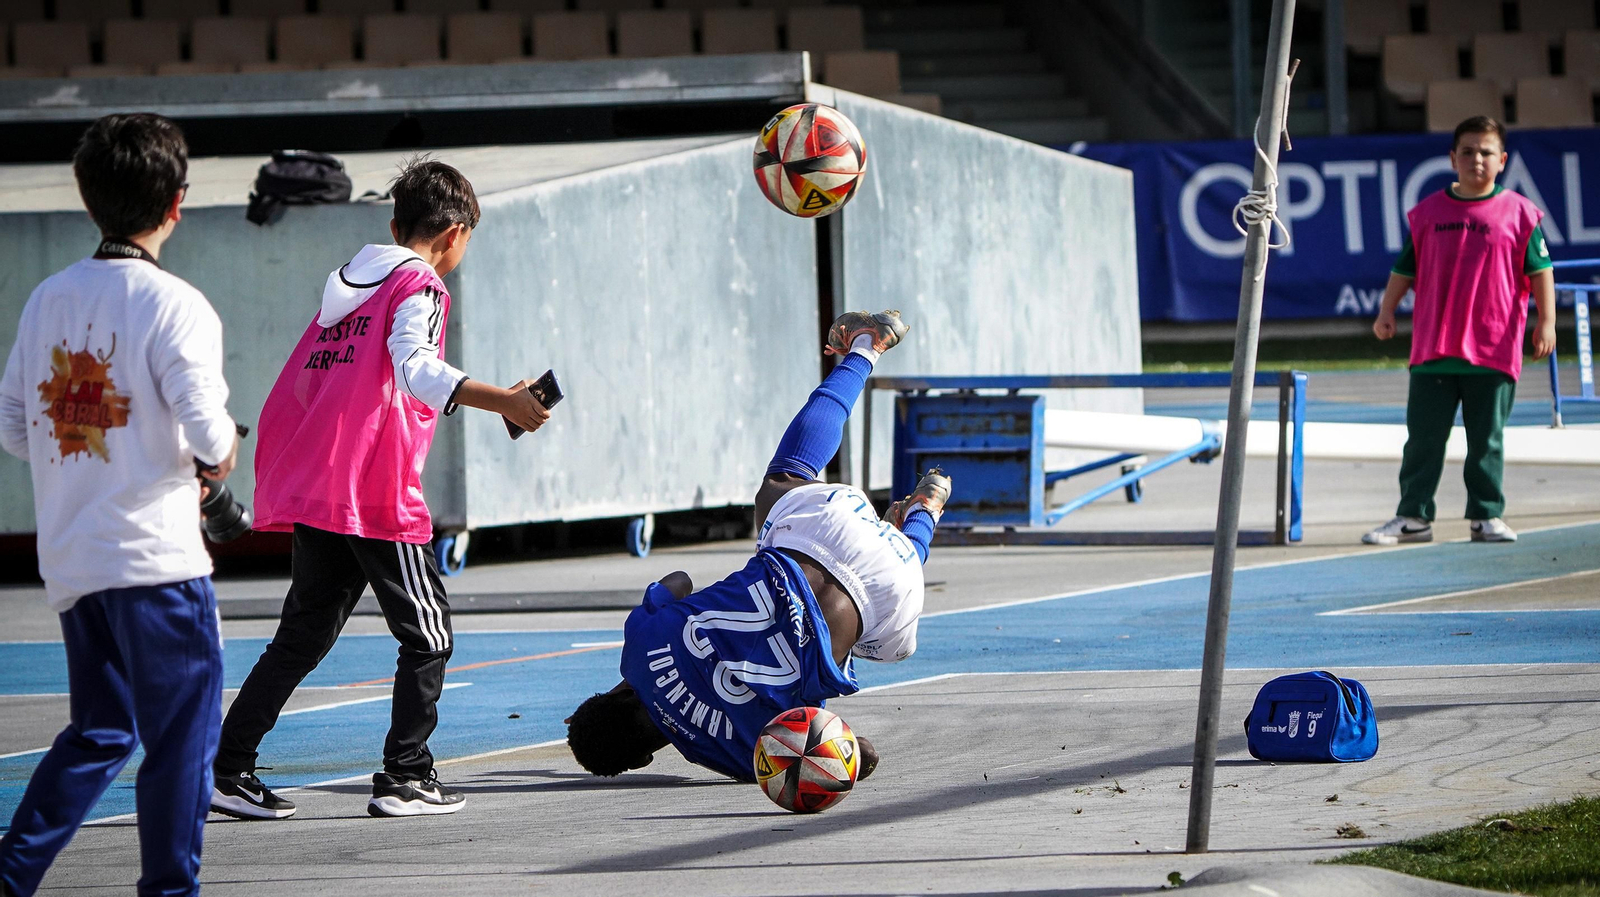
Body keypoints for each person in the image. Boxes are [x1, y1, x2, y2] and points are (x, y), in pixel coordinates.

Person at [210, 158, 552, 821]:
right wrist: (503, 400)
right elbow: (416, 368)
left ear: (395, 224)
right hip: (374, 486)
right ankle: (406, 772)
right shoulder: (418, 285)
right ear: (454, 234)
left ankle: (228, 768)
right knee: (429, 634)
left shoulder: (349, 286)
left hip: (325, 482)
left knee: (302, 634)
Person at [0, 113, 237, 897]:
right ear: (175, 203)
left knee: (100, 730)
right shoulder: (176, 305)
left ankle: (11, 873)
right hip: (157, 560)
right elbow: (209, 435)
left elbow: (15, 429)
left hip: (75, 557)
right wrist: (216, 458)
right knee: (180, 740)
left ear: (87, 196)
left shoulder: (46, 301)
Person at [566, 310, 949, 783]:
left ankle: (923, 516)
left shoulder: (744, 758)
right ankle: (866, 347)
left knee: (877, 637)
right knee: (783, 481)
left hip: (891, 596)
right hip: (817, 536)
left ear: (644, 760)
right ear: (615, 694)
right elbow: (678, 581)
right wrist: (646, 670)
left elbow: (861, 754)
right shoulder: (640, 645)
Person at [1364, 115, 1556, 547]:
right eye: (1467, 152)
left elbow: (1541, 271)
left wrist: (1547, 323)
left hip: (1493, 348)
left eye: (1486, 151)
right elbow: (1404, 269)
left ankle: (1486, 516)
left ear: (1502, 160)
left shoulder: (1522, 214)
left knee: (1486, 440)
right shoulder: (1428, 213)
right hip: (1433, 347)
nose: (1477, 159)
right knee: (1423, 441)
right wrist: (1386, 311)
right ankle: (1413, 516)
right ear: (1452, 159)